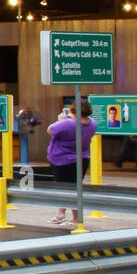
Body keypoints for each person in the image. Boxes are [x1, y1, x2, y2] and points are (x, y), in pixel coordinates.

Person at [47, 99, 97, 230]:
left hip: (63, 159)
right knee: (73, 186)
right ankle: (61, 213)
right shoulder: (92, 124)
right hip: (82, 158)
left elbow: (50, 130)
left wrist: (61, 120)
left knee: (66, 188)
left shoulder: (67, 123)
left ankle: (75, 218)